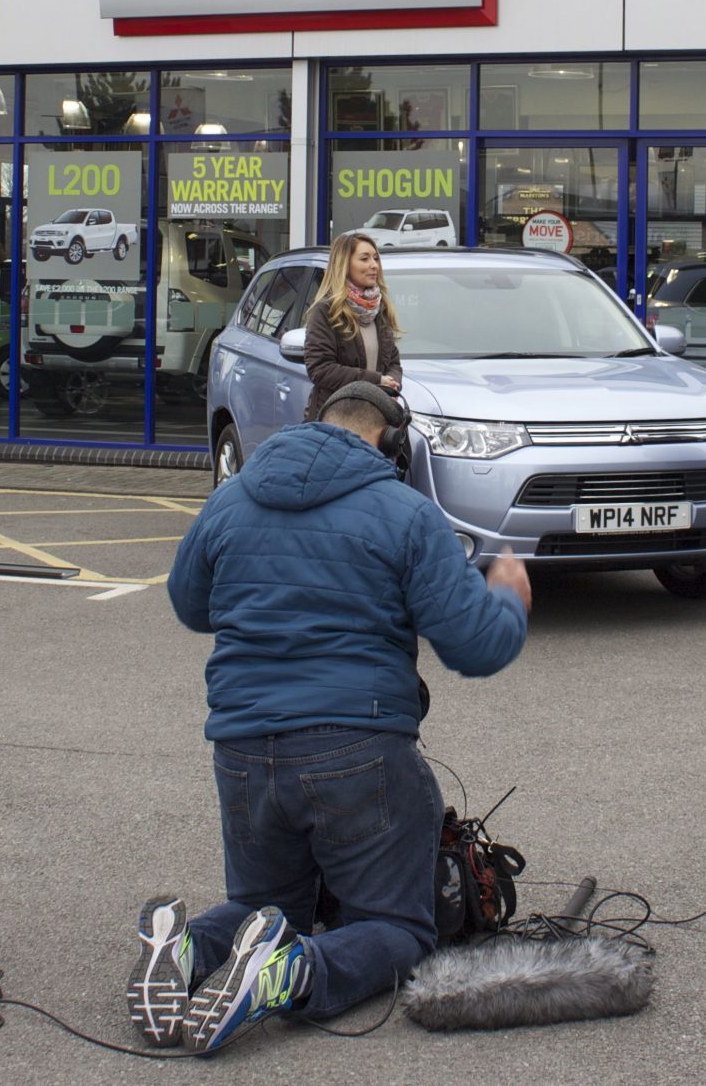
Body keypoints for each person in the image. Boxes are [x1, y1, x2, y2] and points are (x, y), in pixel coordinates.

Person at [135, 380, 530, 1055]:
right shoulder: (405, 512)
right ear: (394, 445)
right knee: (400, 926)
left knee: (271, 910)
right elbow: (476, 643)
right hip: (356, 749)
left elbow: (189, 602)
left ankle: (191, 946)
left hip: (241, 749)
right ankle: (291, 973)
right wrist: (509, 599)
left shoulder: (230, 499)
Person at [299, 229, 402, 420]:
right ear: (344, 265)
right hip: (336, 419)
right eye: (364, 259)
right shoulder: (326, 310)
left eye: (375, 258)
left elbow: (393, 361)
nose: (374, 265)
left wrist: (392, 383)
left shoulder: (380, 308)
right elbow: (320, 369)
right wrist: (376, 381)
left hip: (376, 419)